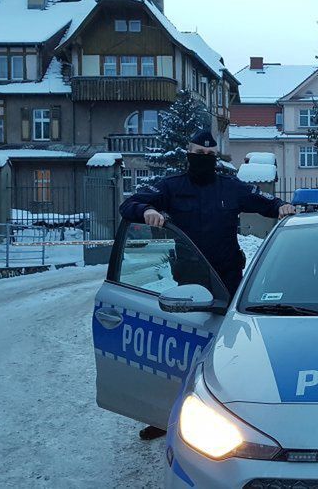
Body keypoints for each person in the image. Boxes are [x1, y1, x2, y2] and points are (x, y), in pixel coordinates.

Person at [119, 129, 295, 440]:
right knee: (182, 352)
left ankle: (231, 415)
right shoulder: (170, 187)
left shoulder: (230, 187)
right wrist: (147, 210)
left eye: (210, 156)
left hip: (227, 283)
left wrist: (281, 206)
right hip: (190, 285)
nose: (205, 160)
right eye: (199, 154)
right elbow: (130, 203)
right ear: (189, 154)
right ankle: (165, 415)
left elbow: (266, 201)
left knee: (231, 352)